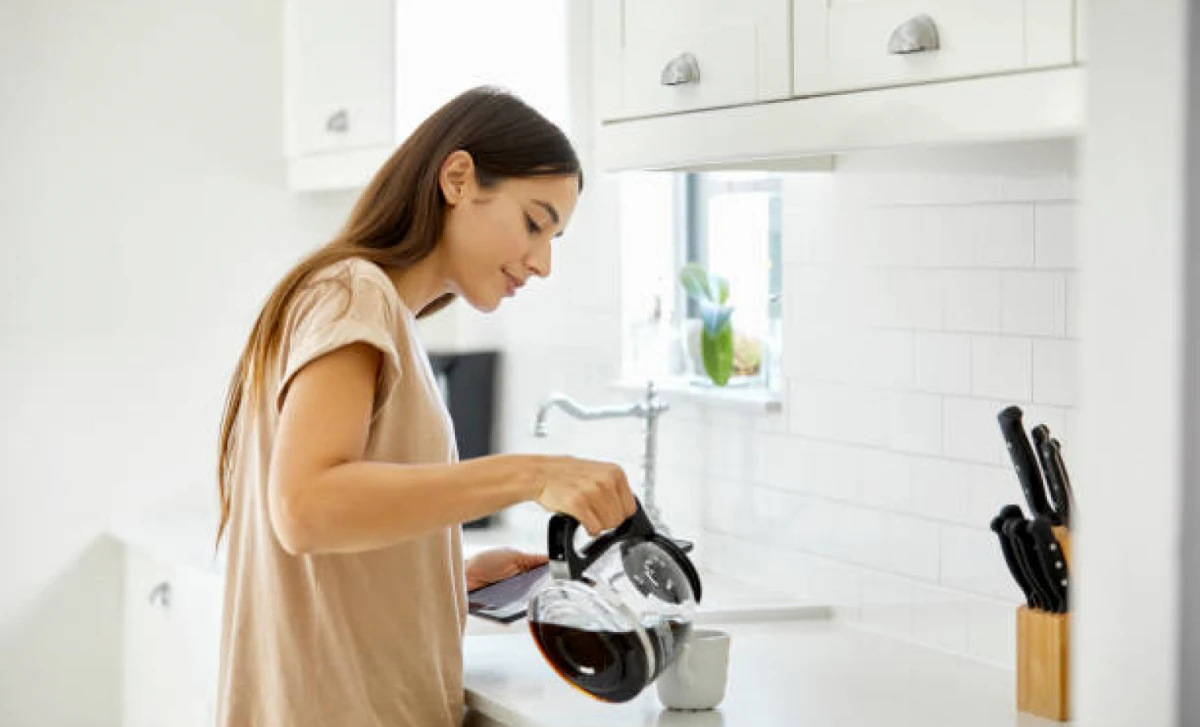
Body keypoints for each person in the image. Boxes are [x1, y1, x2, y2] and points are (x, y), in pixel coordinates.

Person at [214, 86, 637, 727]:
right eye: (534, 222)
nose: (544, 262)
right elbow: (305, 508)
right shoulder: (353, 293)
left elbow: (326, 544)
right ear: (459, 179)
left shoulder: (369, 307)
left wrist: (445, 576)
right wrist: (531, 475)